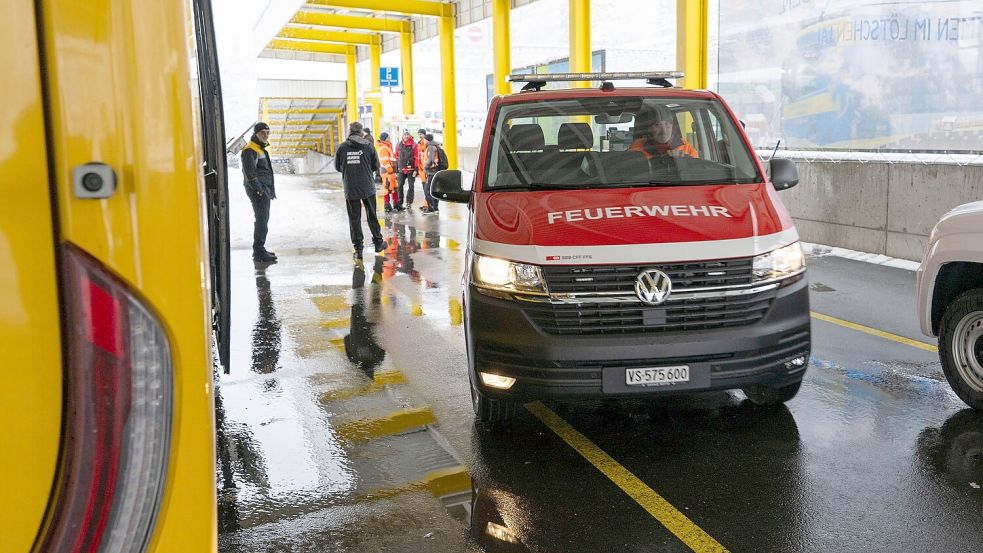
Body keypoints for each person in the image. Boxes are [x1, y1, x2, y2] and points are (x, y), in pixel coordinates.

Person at [335, 121, 385, 261]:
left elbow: (338, 167)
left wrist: (350, 169)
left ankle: (358, 250)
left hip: (351, 188)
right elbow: (375, 165)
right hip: (367, 186)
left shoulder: (342, 147)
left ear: (349, 131)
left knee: (354, 219)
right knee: (372, 215)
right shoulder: (368, 146)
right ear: (361, 132)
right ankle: (378, 243)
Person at [241, 122, 277, 263]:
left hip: (264, 189)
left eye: (268, 133)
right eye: (263, 133)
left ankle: (260, 249)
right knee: (261, 220)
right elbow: (250, 174)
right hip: (258, 190)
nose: (266, 135)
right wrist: (259, 190)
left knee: (263, 220)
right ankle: (259, 252)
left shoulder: (259, 148)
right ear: (256, 134)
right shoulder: (250, 150)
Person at [629, 105, 699, 160]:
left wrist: (682, 162)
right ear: (649, 128)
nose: (664, 131)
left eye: (667, 124)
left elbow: (697, 173)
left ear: (672, 126)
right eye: (657, 125)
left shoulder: (687, 149)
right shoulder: (637, 149)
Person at [376, 132, 399, 212]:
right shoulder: (383, 148)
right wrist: (390, 170)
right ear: (385, 139)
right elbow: (384, 161)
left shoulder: (386, 147)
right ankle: (387, 206)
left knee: (393, 187)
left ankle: (396, 205)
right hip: (387, 172)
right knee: (387, 188)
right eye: (388, 137)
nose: (389, 138)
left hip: (390, 172)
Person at [396, 130, 418, 210]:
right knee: (399, 186)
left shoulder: (414, 145)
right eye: (404, 135)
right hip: (401, 169)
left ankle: (409, 203)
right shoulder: (398, 144)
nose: (406, 136)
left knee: (411, 186)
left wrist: (416, 169)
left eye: (407, 135)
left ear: (409, 135)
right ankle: (400, 202)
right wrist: (396, 170)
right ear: (402, 136)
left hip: (411, 170)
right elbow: (397, 157)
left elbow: (416, 157)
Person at [422, 133, 442, 215]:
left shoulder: (430, 147)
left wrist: (425, 166)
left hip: (431, 172)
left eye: (425, 139)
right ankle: (435, 208)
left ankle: (431, 209)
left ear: (427, 140)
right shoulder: (435, 146)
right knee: (434, 190)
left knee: (427, 190)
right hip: (435, 171)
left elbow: (430, 160)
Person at [415, 128, 429, 210]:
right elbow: (418, 156)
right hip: (421, 169)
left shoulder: (426, 143)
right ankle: (426, 204)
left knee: (427, 188)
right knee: (425, 188)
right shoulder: (419, 143)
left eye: (421, 134)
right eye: (419, 134)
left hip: (426, 169)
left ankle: (427, 204)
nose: (420, 135)